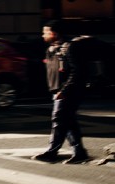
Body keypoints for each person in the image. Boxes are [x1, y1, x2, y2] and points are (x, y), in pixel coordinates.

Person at [32, 19, 90, 164]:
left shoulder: (69, 48)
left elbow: (78, 72)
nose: (42, 35)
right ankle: (79, 152)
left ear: (55, 33)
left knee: (58, 120)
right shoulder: (52, 49)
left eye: (45, 32)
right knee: (68, 121)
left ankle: (52, 152)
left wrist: (64, 90)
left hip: (69, 91)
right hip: (58, 90)